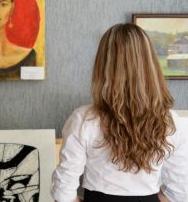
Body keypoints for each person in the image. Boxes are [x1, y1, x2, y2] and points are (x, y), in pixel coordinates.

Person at [51, 23, 188, 202]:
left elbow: (63, 193)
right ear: (150, 64)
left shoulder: (83, 119)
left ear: (102, 66)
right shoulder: (172, 121)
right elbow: (180, 192)